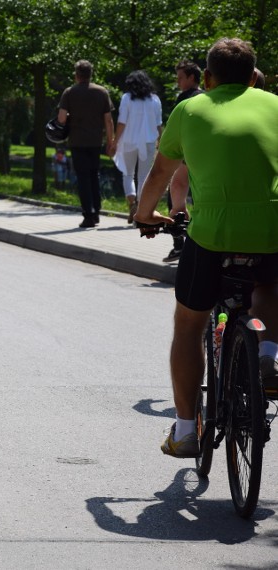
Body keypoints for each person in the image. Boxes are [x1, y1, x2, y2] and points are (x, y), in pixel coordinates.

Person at [133, 38, 278, 458]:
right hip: (270, 227)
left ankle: (184, 431)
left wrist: (145, 215)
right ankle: (268, 354)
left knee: (189, 325)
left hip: (212, 232)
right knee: (268, 286)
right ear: (253, 76)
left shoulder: (190, 109)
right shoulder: (273, 104)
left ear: (208, 77)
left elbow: (162, 172)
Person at [57, 60, 115, 228]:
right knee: (93, 175)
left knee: (82, 178)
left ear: (76, 75)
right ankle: (96, 211)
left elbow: (61, 119)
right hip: (95, 141)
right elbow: (108, 120)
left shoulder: (69, 93)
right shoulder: (102, 92)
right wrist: (110, 141)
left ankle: (88, 215)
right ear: (91, 74)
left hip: (77, 141)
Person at [163, 60, 205, 262]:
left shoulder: (187, 99)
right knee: (199, 199)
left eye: (181, 77)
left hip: (186, 156)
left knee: (175, 198)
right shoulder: (206, 97)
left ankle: (180, 243)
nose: (178, 81)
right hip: (201, 156)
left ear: (191, 77)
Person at [111, 70, 163, 223]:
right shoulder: (155, 100)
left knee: (127, 174)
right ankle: (140, 207)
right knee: (144, 177)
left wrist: (115, 141)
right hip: (148, 142)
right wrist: (161, 140)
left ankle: (132, 203)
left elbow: (122, 122)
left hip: (129, 141)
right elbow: (158, 123)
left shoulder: (127, 98)